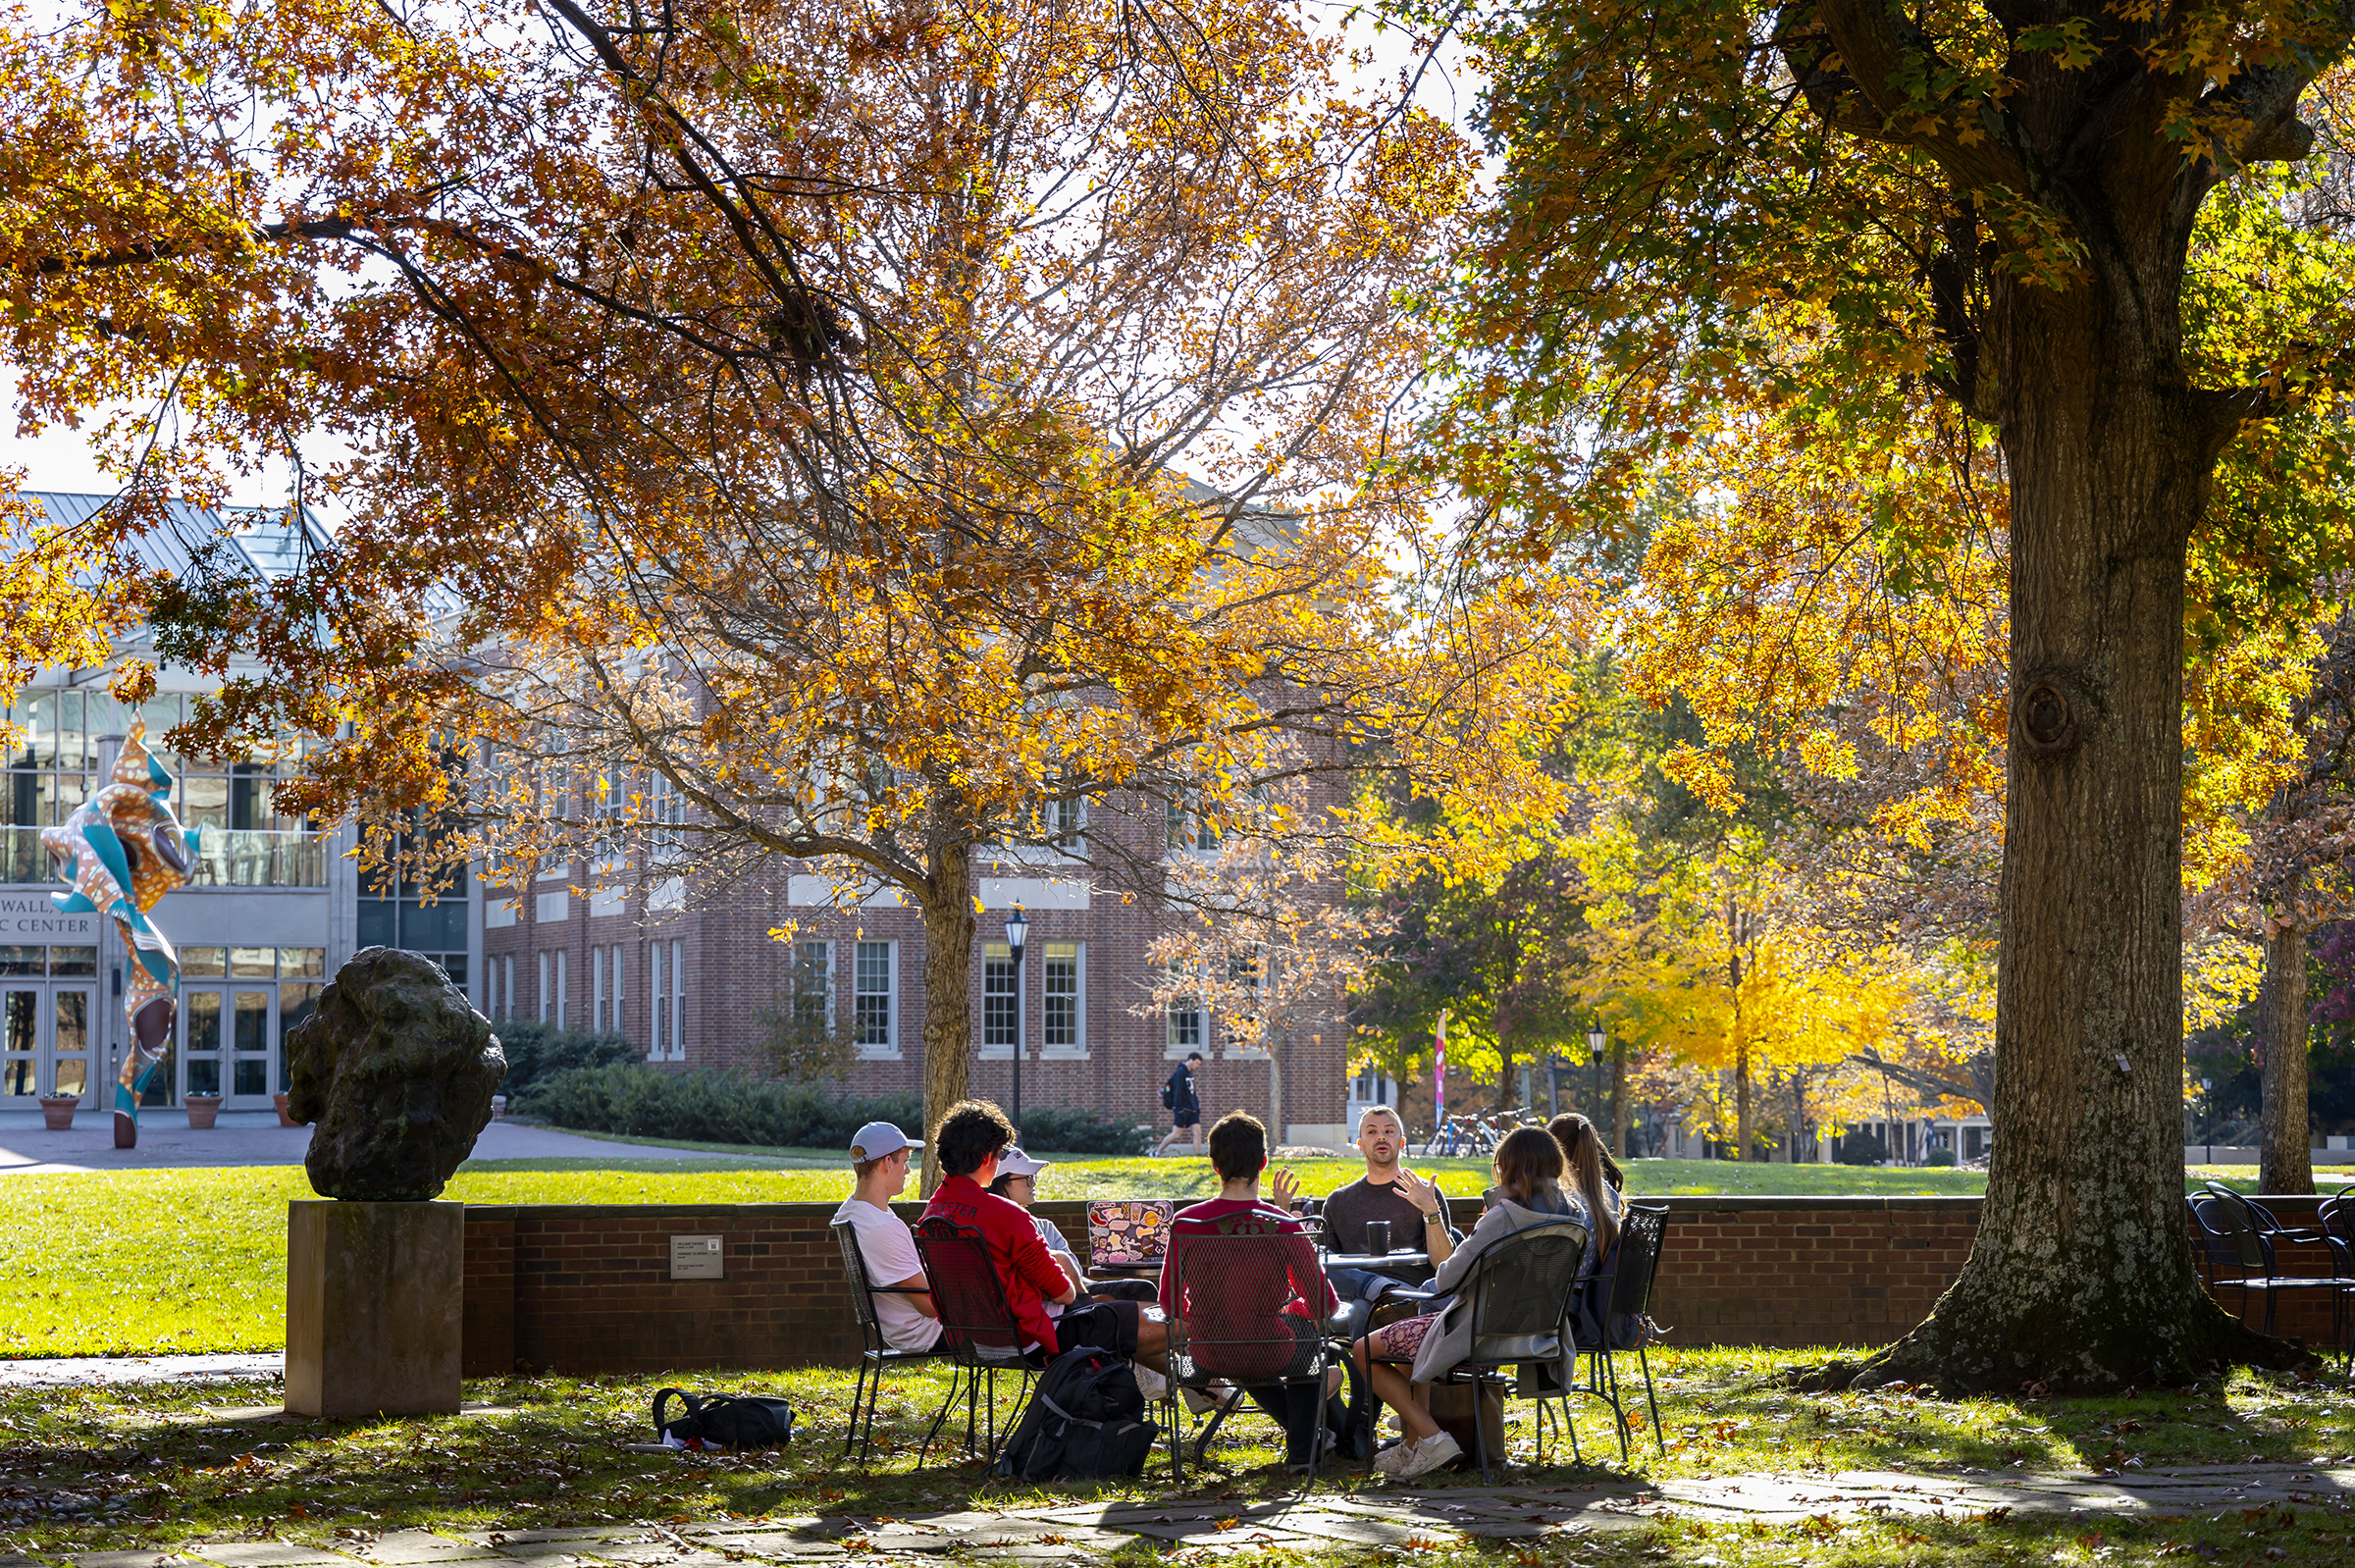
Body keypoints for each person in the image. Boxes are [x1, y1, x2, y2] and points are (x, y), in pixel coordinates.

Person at [1350, 1125, 1590, 1479]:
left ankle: (1432, 1439)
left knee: (1362, 1350)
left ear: (1509, 1168)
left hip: (1476, 1332)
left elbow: (1448, 1279)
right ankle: (1413, 1448)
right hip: (1538, 1334)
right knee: (1410, 1349)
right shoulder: (1574, 1217)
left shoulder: (1503, 1217)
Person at [922, 1100, 1171, 1379]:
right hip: (1037, 1336)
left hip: (978, 1338)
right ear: (985, 1157)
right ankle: (1197, 1380)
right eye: (998, 1153)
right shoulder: (1005, 1214)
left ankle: (1202, 1387)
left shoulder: (933, 1213)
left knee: (1123, 1319)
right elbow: (1064, 1293)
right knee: (1176, 1324)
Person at [1160, 1111, 1346, 1472]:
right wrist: (1296, 1311)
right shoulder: (1284, 1225)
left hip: (1207, 1353)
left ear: (1214, 1166)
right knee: (1303, 1339)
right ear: (1263, 1161)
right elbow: (1326, 1303)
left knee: (1242, 1336)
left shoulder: (1186, 1223)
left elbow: (1169, 1304)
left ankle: (1313, 1441)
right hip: (1270, 1349)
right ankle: (1301, 1455)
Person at [1322, 1105, 1453, 1329]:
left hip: (1414, 1300)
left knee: (1362, 1310)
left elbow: (1444, 1264)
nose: (1381, 1136)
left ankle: (1389, 1294)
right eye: (1371, 1132)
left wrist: (1430, 1210)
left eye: (1389, 1131)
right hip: (1353, 1298)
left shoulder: (1423, 1192)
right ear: (1360, 1144)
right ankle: (1383, 1289)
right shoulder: (1338, 1201)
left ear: (1401, 1143)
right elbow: (1324, 1265)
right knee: (1352, 1299)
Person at [828, 1122, 943, 1353]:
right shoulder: (881, 1227)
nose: (908, 1170)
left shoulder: (851, 1211)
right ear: (887, 1163)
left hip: (903, 1331)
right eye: (905, 1161)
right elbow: (930, 1306)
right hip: (927, 1332)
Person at [1155, 1051, 1205, 1156]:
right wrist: (1179, 1108)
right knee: (1176, 1134)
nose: (1197, 1065)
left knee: (1197, 1132)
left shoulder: (1189, 1072)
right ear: (1191, 1060)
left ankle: (1198, 1155)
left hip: (1193, 1108)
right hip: (1183, 1108)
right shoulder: (1180, 1073)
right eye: (1197, 1063)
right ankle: (1157, 1152)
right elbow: (1177, 1091)